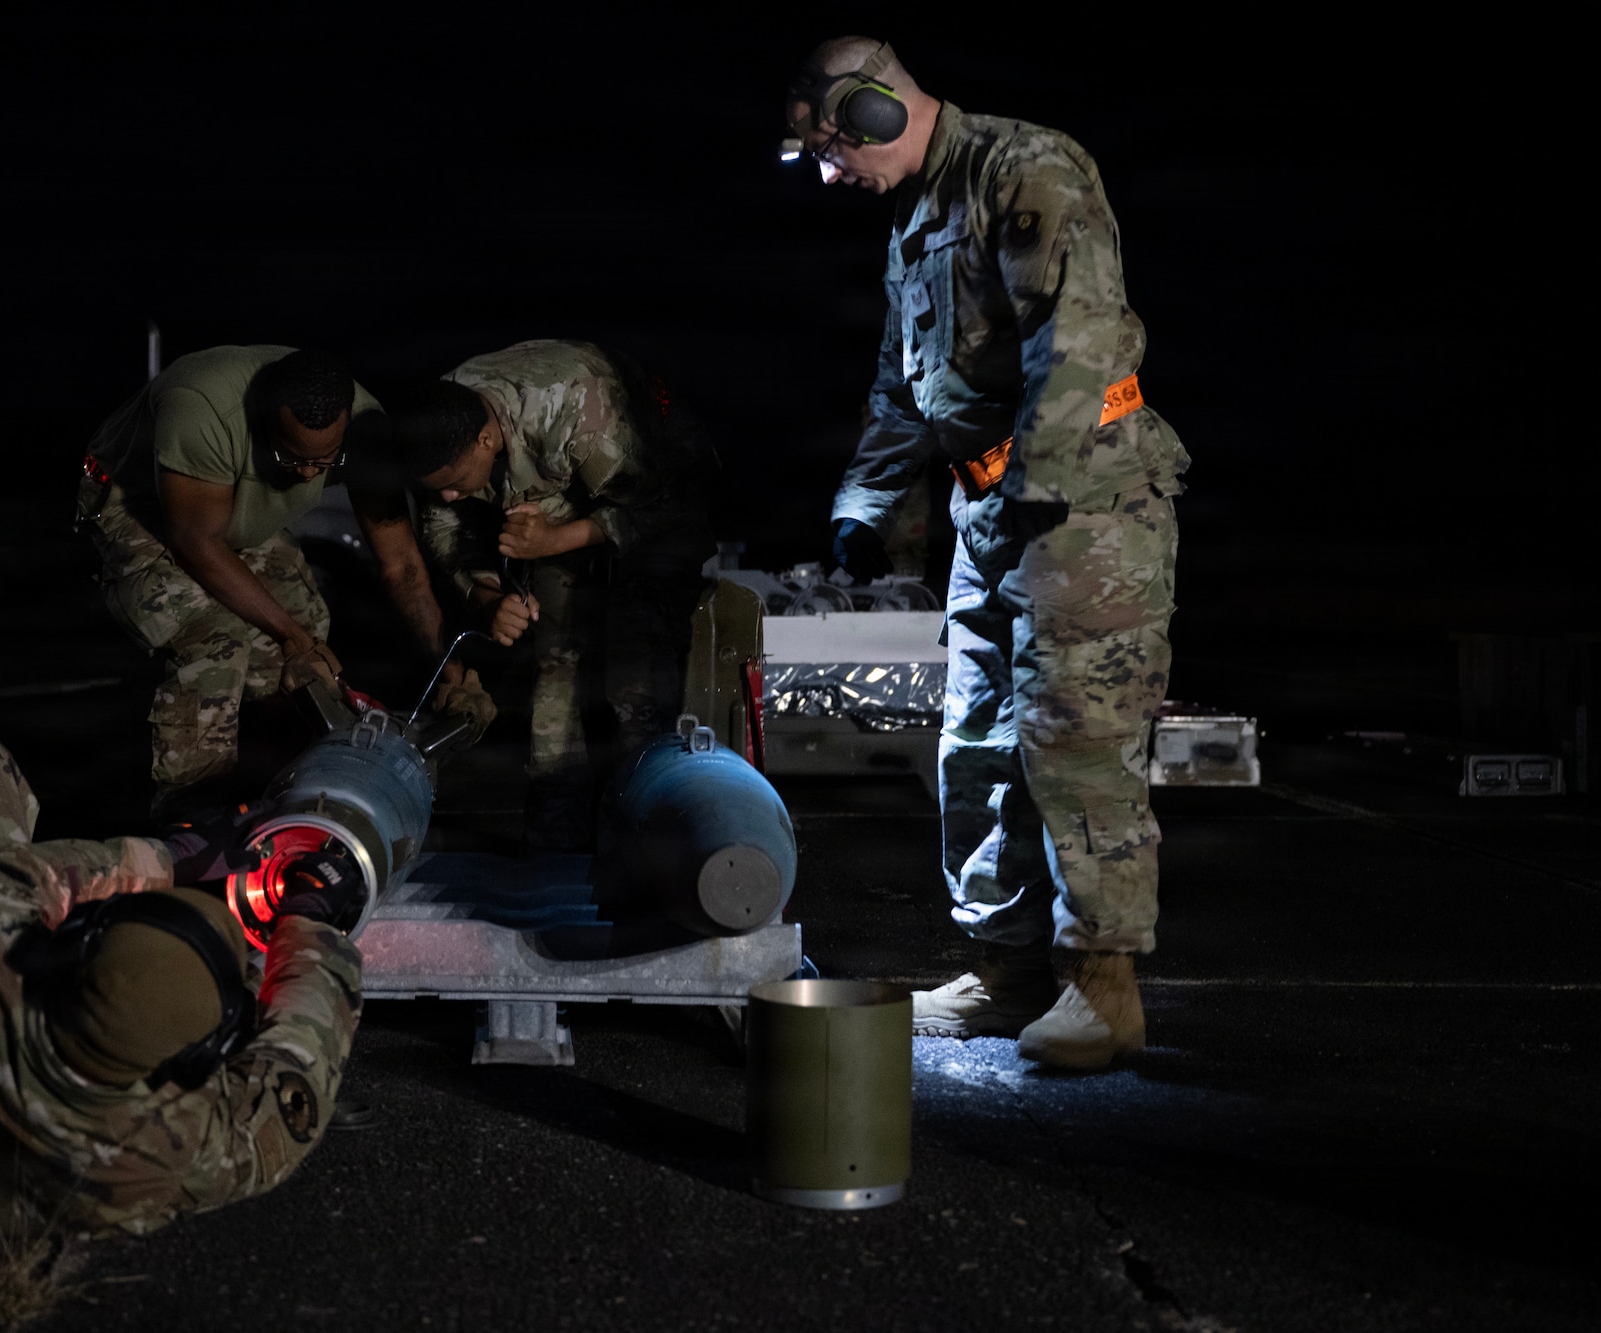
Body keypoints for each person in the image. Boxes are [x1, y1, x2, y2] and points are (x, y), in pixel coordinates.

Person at [785, 38, 1189, 1069]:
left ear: (877, 112)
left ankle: (1099, 987)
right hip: (991, 508)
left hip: (1079, 505)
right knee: (973, 741)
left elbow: (1075, 342)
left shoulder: (1026, 170)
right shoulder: (913, 219)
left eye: (833, 148)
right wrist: (864, 502)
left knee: (1075, 741)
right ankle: (1007, 968)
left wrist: (1030, 497)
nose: (831, 174)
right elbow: (899, 373)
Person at [0, 722, 366, 1236]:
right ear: (203, 1055)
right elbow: (299, 1056)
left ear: (74, 948)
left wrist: (172, 860)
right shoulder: (179, 1153)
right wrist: (311, 918)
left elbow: (23, 876)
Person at [78, 345, 494, 817]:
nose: (305, 475)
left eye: (324, 465)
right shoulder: (201, 407)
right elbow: (198, 543)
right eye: (291, 457)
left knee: (310, 632)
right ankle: (190, 818)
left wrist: (451, 668)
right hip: (142, 511)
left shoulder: (365, 427)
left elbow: (402, 565)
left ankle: (300, 789)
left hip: (231, 517)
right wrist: (290, 638)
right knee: (217, 643)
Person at [387, 340, 713, 849]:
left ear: (486, 439)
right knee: (556, 663)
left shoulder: (575, 407)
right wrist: (487, 596)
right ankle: (555, 840)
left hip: (655, 480)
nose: (449, 494)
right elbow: (442, 524)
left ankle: (646, 830)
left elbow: (659, 506)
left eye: (454, 483)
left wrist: (554, 541)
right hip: (560, 493)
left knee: (635, 677)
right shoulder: (438, 428)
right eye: (438, 486)